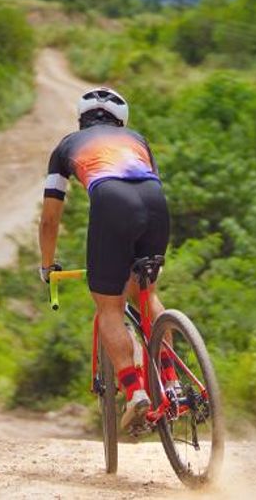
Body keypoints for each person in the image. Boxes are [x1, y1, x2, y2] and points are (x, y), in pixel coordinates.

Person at [38, 87, 177, 430]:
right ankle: (172, 382)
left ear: (81, 120)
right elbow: (149, 180)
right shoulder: (137, 139)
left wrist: (46, 265)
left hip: (111, 202)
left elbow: (50, 219)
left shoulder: (66, 147)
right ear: (121, 121)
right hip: (155, 202)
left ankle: (135, 391)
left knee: (109, 307)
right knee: (147, 293)